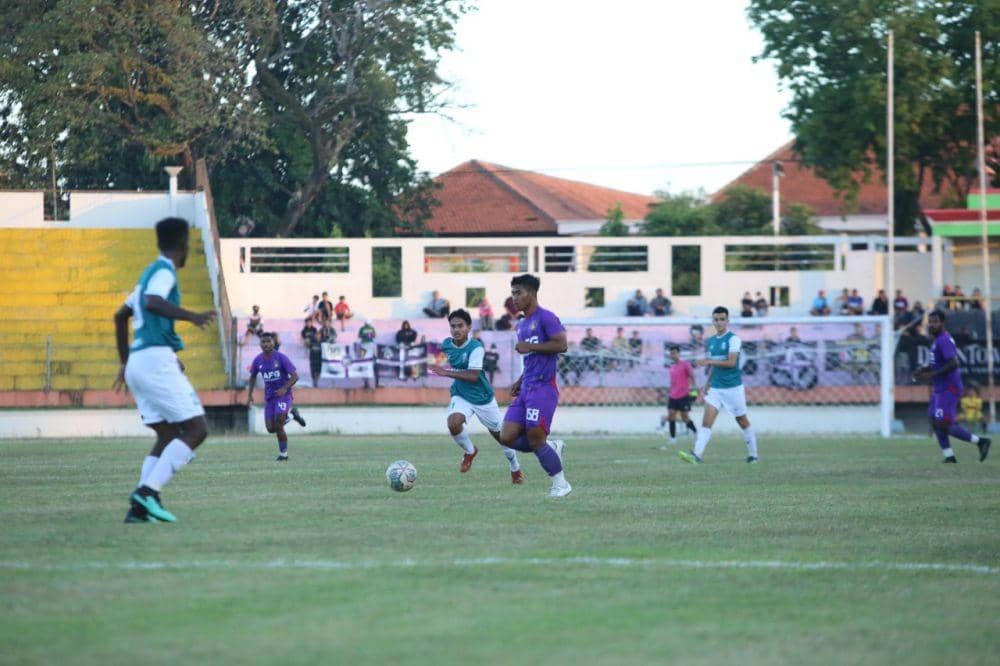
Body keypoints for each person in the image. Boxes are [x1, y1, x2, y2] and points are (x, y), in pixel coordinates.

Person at [113, 216, 216, 523]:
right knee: (197, 429)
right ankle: (147, 493)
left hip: (140, 361)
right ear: (183, 245)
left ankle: (139, 509)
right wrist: (192, 316)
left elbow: (121, 316)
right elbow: (154, 302)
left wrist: (124, 362)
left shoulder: (146, 274)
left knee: (168, 433)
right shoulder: (164, 271)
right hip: (155, 360)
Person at [427, 309, 523, 483]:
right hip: (461, 395)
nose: (456, 330)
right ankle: (470, 451)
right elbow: (440, 357)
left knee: (503, 438)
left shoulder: (476, 347)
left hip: (482, 398)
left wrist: (446, 372)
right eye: (453, 326)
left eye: (460, 326)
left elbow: (472, 376)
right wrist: (433, 362)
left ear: (469, 327)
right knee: (453, 423)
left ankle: (515, 469)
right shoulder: (447, 344)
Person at [498, 274, 572, 497]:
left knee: (535, 438)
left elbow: (562, 345)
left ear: (531, 293)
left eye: (518, 292)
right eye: (512, 293)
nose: (514, 298)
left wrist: (531, 347)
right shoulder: (522, 325)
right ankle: (551, 447)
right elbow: (530, 359)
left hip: (543, 388)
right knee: (507, 436)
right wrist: (520, 381)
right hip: (527, 387)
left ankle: (560, 484)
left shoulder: (546, 318)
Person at [679, 306, 759, 464]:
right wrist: (707, 384)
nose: (719, 322)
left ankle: (753, 455)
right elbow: (715, 367)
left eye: (722, 319)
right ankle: (697, 455)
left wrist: (707, 361)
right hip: (716, 388)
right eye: (716, 319)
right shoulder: (712, 341)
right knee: (706, 422)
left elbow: (730, 362)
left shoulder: (733, 339)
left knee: (742, 420)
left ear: (727, 321)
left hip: (733, 388)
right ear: (713, 321)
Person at [913, 310, 991, 463]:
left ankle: (981, 441)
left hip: (949, 388)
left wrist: (932, 375)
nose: (932, 324)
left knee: (943, 423)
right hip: (939, 389)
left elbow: (953, 363)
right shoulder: (936, 341)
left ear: (943, 323)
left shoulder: (944, 340)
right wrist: (924, 369)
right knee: (933, 418)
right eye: (930, 321)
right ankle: (949, 456)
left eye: (935, 321)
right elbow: (937, 364)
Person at [247, 332, 306, 461]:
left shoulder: (281, 358)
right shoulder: (258, 360)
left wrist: (284, 388)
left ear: (273, 343)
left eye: (269, 341)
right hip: (270, 398)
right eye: (264, 342)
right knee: (270, 428)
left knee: (279, 424)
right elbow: (252, 377)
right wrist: (249, 395)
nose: (266, 344)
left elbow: (295, 376)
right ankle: (292, 415)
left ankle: (283, 455)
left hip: (283, 396)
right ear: (260, 344)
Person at [661, 345, 698, 445]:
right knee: (671, 415)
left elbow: (693, 378)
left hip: (684, 395)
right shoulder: (672, 367)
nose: (673, 355)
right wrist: (669, 393)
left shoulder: (685, 364)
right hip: (673, 396)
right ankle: (673, 438)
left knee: (685, 417)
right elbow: (672, 382)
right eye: (671, 353)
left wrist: (694, 392)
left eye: (674, 353)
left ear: (678, 353)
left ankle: (696, 433)